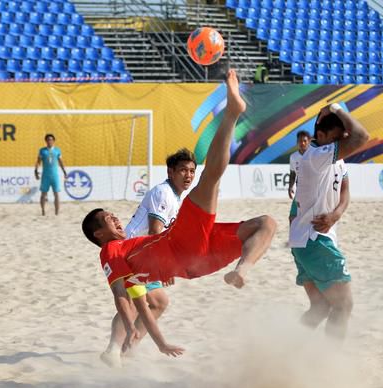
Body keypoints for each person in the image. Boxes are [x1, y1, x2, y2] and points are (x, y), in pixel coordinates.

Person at [82, 70, 276, 357]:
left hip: (195, 263)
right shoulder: (112, 250)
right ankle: (232, 114)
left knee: (266, 224)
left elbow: (137, 301)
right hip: (177, 249)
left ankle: (241, 270)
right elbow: (121, 296)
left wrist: (161, 343)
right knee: (210, 179)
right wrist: (130, 321)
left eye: (189, 170)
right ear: (99, 234)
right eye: (110, 219)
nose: (117, 219)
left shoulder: (127, 253)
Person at [100, 148, 197, 367]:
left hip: (144, 253)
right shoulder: (163, 192)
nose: (188, 175)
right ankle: (113, 350)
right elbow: (155, 232)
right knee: (135, 303)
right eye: (183, 170)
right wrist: (164, 265)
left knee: (159, 302)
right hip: (132, 253)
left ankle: (128, 347)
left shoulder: (176, 197)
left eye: (191, 171)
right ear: (170, 172)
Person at [289, 103, 369, 342]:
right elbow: (362, 136)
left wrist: (336, 214)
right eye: (336, 139)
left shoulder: (335, 156)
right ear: (320, 136)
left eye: (341, 139)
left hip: (306, 241)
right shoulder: (315, 156)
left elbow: (345, 192)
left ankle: (287, 353)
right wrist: (335, 107)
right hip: (316, 241)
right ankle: (330, 365)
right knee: (344, 305)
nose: (341, 145)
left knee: (321, 307)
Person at [34, 134, 67, 216]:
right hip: (45, 175)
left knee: (56, 193)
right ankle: (43, 211)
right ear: (46, 141)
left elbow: (60, 162)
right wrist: (36, 171)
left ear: (53, 141)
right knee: (43, 194)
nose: (50, 141)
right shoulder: (42, 150)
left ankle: (56, 213)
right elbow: (38, 161)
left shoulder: (57, 150)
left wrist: (64, 171)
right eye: (48, 139)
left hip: (54, 175)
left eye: (51, 139)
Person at [288, 130, 311, 224]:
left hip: (314, 191)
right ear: (297, 142)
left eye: (305, 141)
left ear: (309, 141)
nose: (302, 143)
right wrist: (290, 187)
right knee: (292, 218)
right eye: (300, 141)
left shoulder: (315, 155)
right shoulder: (294, 157)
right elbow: (293, 173)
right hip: (300, 191)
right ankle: (294, 238)